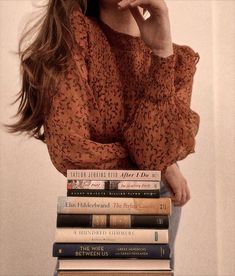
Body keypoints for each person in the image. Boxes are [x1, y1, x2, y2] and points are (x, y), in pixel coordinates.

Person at [6, 0, 200, 271]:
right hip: (97, 215)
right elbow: (70, 150)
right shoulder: (76, 34)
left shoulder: (176, 60)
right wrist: (158, 167)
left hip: (158, 211)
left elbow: (155, 153)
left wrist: (160, 52)